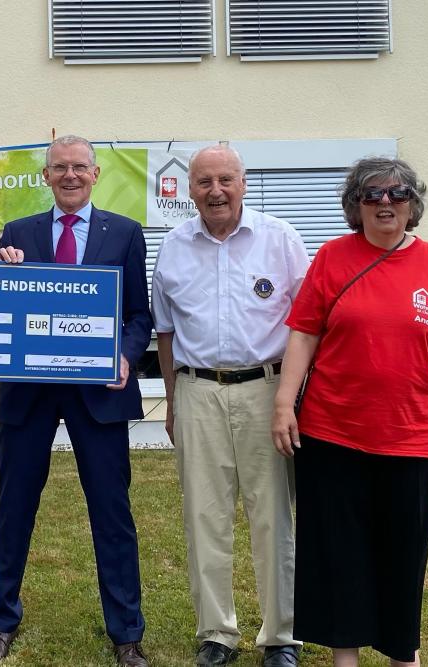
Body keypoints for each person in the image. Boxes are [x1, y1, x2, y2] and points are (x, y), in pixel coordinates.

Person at [271, 157, 428, 667]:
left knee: (403, 558)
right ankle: (345, 659)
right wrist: (283, 403)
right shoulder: (332, 257)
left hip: (411, 438)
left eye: (397, 193)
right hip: (333, 433)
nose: (386, 202)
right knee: (338, 554)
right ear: (356, 204)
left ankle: (402, 657)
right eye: (373, 194)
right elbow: (304, 334)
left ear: (413, 204)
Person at [0, 135, 152, 667]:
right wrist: (0, 274)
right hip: (29, 394)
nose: (70, 175)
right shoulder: (18, 233)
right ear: (46, 176)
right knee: (13, 509)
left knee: (112, 513)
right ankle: (2, 622)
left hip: (99, 395)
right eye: (60, 167)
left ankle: (126, 633)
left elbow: (138, 315)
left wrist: (125, 356)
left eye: (79, 167)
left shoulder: (125, 233)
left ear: (96, 174)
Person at [151, 145, 308, 667]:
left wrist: (293, 398)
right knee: (204, 516)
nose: (215, 191)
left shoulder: (281, 239)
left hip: (267, 390)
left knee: (272, 517)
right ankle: (216, 633)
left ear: (243, 182)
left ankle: (281, 636)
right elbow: (165, 332)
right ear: (189, 189)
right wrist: (172, 402)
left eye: (225, 180)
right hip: (196, 391)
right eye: (204, 182)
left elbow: (307, 326)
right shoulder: (173, 247)